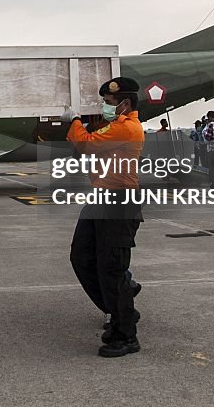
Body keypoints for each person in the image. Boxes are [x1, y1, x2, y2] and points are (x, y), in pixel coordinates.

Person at [62, 76, 145, 358]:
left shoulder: (127, 129)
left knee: (111, 269)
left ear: (125, 103)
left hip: (119, 203)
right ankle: (123, 303)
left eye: (109, 102)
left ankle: (125, 335)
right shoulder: (113, 127)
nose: (105, 106)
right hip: (100, 199)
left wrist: (74, 121)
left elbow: (85, 144)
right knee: (82, 257)